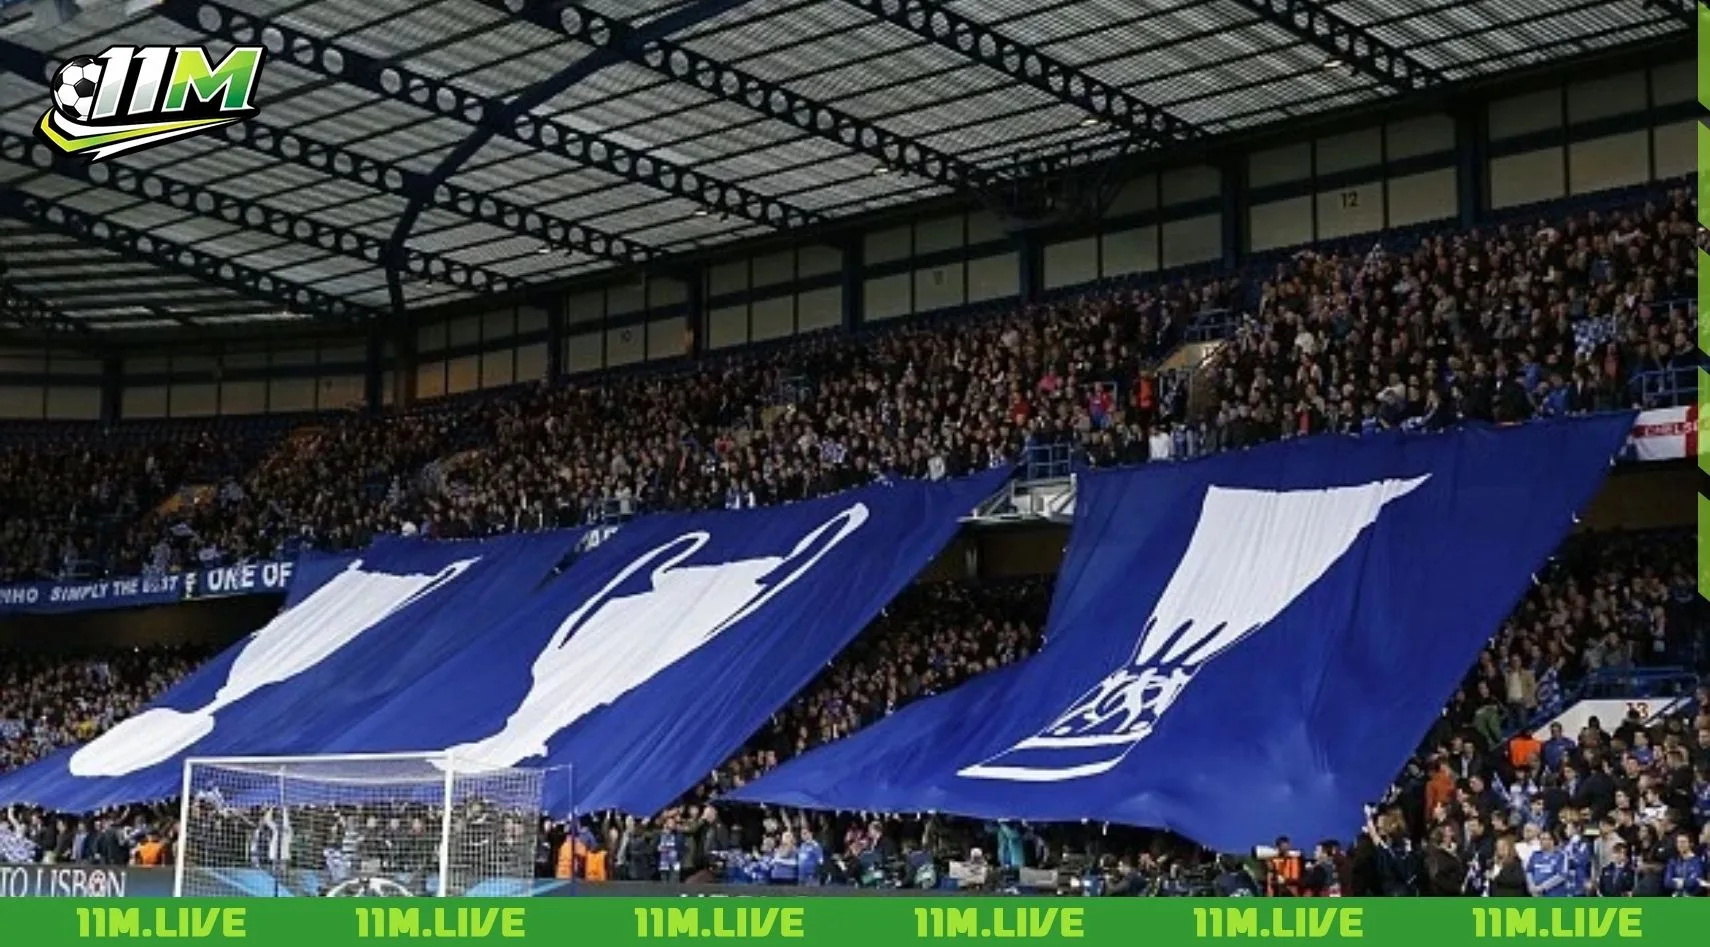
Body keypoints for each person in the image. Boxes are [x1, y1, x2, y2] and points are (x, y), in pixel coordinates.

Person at [1525, 830, 1571, 897]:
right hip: (1537, 895)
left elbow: (1562, 875)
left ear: (1552, 841)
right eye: (1540, 839)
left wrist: (1542, 887)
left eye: (1544, 839)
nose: (1541, 841)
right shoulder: (1535, 855)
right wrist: (1532, 887)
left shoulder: (1561, 855)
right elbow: (1529, 871)